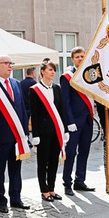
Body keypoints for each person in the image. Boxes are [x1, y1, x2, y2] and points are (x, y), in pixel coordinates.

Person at [0, 55, 30, 213]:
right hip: (0, 138)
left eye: (11, 64)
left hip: (17, 136)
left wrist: (24, 134)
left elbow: (22, 110)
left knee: (16, 169)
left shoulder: (16, 83)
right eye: (6, 63)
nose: (10, 66)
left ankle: (16, 198)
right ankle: (1, 200)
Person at [28, 61, 68, 201]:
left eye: (54, 70)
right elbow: (35, 114)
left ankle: (51, 189)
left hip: (57, 131)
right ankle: (43, 190)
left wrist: (66, 129)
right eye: (50, 69)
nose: (52, 72)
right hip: (43, 133)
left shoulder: (57, 88)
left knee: (53, 162)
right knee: (42, 162)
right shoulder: (35, 90)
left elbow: (62, 110)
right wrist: (35, 135)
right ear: (42, 71)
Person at [60, 46, 95, 195]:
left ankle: (80, 180)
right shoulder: (67, 77)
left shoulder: (90, 75)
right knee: (71, 152)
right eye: (77, 57)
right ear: (72, 59)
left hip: (87, 120)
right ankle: (67, 182)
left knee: (84, 152)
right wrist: (69, 122)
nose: (80, 59)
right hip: (74, 122)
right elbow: (65, 102)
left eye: (82, 56)